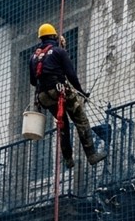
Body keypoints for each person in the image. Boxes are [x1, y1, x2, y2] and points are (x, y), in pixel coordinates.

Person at [29, 23, 105, 169]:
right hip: (60, 91)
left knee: (62, 123)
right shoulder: (59, 51)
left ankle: (68, 159)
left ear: (41, 38)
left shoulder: (33, 57)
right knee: (80, 119)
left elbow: (33, 81)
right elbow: (71, 74)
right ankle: (91, 155)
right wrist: (81, 92)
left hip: (43, 96)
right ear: (54, 36)